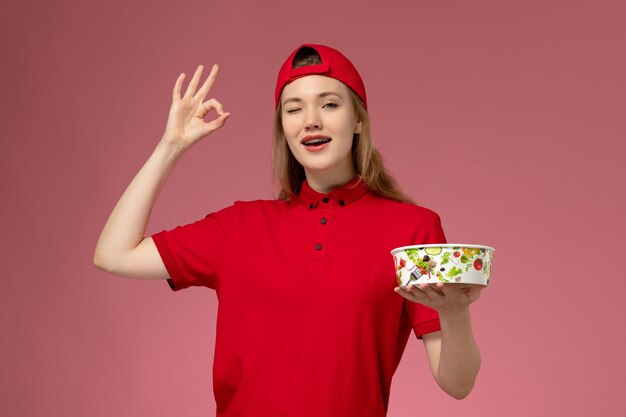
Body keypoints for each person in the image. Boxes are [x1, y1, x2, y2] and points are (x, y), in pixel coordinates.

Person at [93, 44, 483, 417]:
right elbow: (113, 254)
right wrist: (170, 146)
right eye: (293, 109)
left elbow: (457, 383)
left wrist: (455, 313)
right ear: (284, 126)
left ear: (359, 119)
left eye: (329, 104)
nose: (311, 119)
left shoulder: (413, 229)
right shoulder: (238, 227)